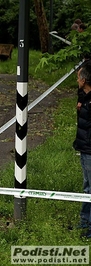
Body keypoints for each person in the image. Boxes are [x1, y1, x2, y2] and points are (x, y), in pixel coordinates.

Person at [73, 63, 91, 239]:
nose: (76, 80)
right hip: (84, 148)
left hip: (89, 149)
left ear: (84, 80)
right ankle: (85, 221)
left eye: (78, 77)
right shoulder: (84, 96)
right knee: (87, 187)